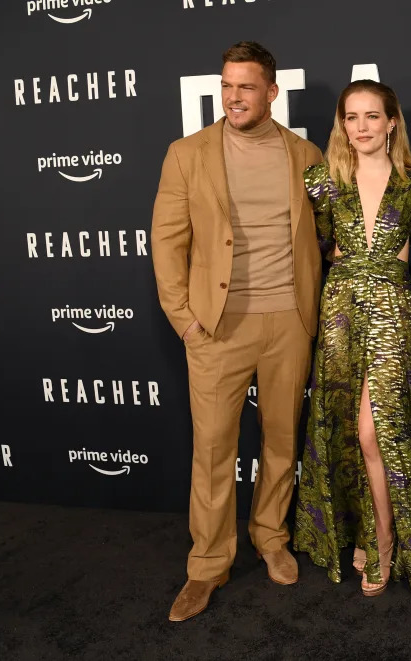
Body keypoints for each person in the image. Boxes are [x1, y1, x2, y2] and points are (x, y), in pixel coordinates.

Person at [151, 41, 324, 622]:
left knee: (282, 440)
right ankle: (206, 565)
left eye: (246, 86)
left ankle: (270, 537)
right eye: (227, 85)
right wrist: (186, 321)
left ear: (272, 92)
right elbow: (168, 241)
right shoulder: (187, 153)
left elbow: (327, 233)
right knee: (213, 449)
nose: (234, 96)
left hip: (290, 322)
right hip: (217, 327)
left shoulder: (306, 155)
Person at [293, 80, 411, 597]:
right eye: (351, 117)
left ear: (392, 122)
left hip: (391, 314)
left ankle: (385, 540)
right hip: (340, 313)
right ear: (341, 124)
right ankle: (363, 531)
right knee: (345, 434)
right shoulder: (321, 181)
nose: (361, 127)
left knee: (376, 433)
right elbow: (318, 248)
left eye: (372, 116)